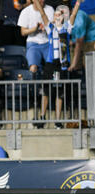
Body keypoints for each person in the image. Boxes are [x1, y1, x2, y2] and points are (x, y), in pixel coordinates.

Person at [33, 0, 81, 129]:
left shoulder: (67, 28)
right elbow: (43, 14)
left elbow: (73, 16)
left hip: (62, 64)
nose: (57, 17)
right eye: (55, 15)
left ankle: (58, 120)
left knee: (60, 92)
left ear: (63, 16)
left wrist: (77, 3)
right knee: (46, 91)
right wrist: (36, 2)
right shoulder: (50, 28)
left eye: (59, 14)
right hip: (50, 63)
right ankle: (42, 117)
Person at [17, 0, 54, 78]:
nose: (42, 0)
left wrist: (47, 28)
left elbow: (53, 27)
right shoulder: (26, 11)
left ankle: (49, 88)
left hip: (48, 42)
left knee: (52, 66)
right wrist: (35, 29)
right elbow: (23, 32)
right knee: (33, 68)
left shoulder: (50, 9)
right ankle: (35, 88)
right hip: (33, 43)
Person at [68, 3, 95, 71]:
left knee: (89, 67)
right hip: (78, 40)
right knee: (75, 68)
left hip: (90, 40)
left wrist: (74, 63)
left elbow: (79, 43)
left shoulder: (79, 20)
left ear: (70, 11)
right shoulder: (65, 18)